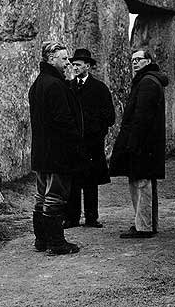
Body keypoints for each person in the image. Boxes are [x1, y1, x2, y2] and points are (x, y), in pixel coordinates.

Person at [29, 41, 87, 255]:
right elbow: (63, 120)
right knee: (54, 196)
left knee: (41, 196)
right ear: (51, 59)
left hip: (42, 152)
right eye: (64, 59)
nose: (68, 62)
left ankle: (41, 240)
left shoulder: (38, 83)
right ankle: (56, 242)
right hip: (58, 152)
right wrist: (76, 143)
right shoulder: (55, 85)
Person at [109, 48, 168, 238]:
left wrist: (132, 144)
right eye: (132, 60)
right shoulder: (148, 80)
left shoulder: (147, 82)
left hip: (143, 143)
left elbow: (142, 117)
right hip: (147, 142)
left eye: (139, 59)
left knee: (141, 183)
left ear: (148, 61)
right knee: (144, 183)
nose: (134, 63)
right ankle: (147, 224)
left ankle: (143, 226)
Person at [63, 49, 115, 229]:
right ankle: (72, 218)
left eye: (78, 64)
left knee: (91, 181)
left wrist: (97, 131)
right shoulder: (68, 87)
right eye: (73, 65)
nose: (74, 67)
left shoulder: (100, 88)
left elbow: (110, 116)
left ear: (88, 66)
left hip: (92, 143)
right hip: (74, 143)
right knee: (73, 182)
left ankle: (92, 218)